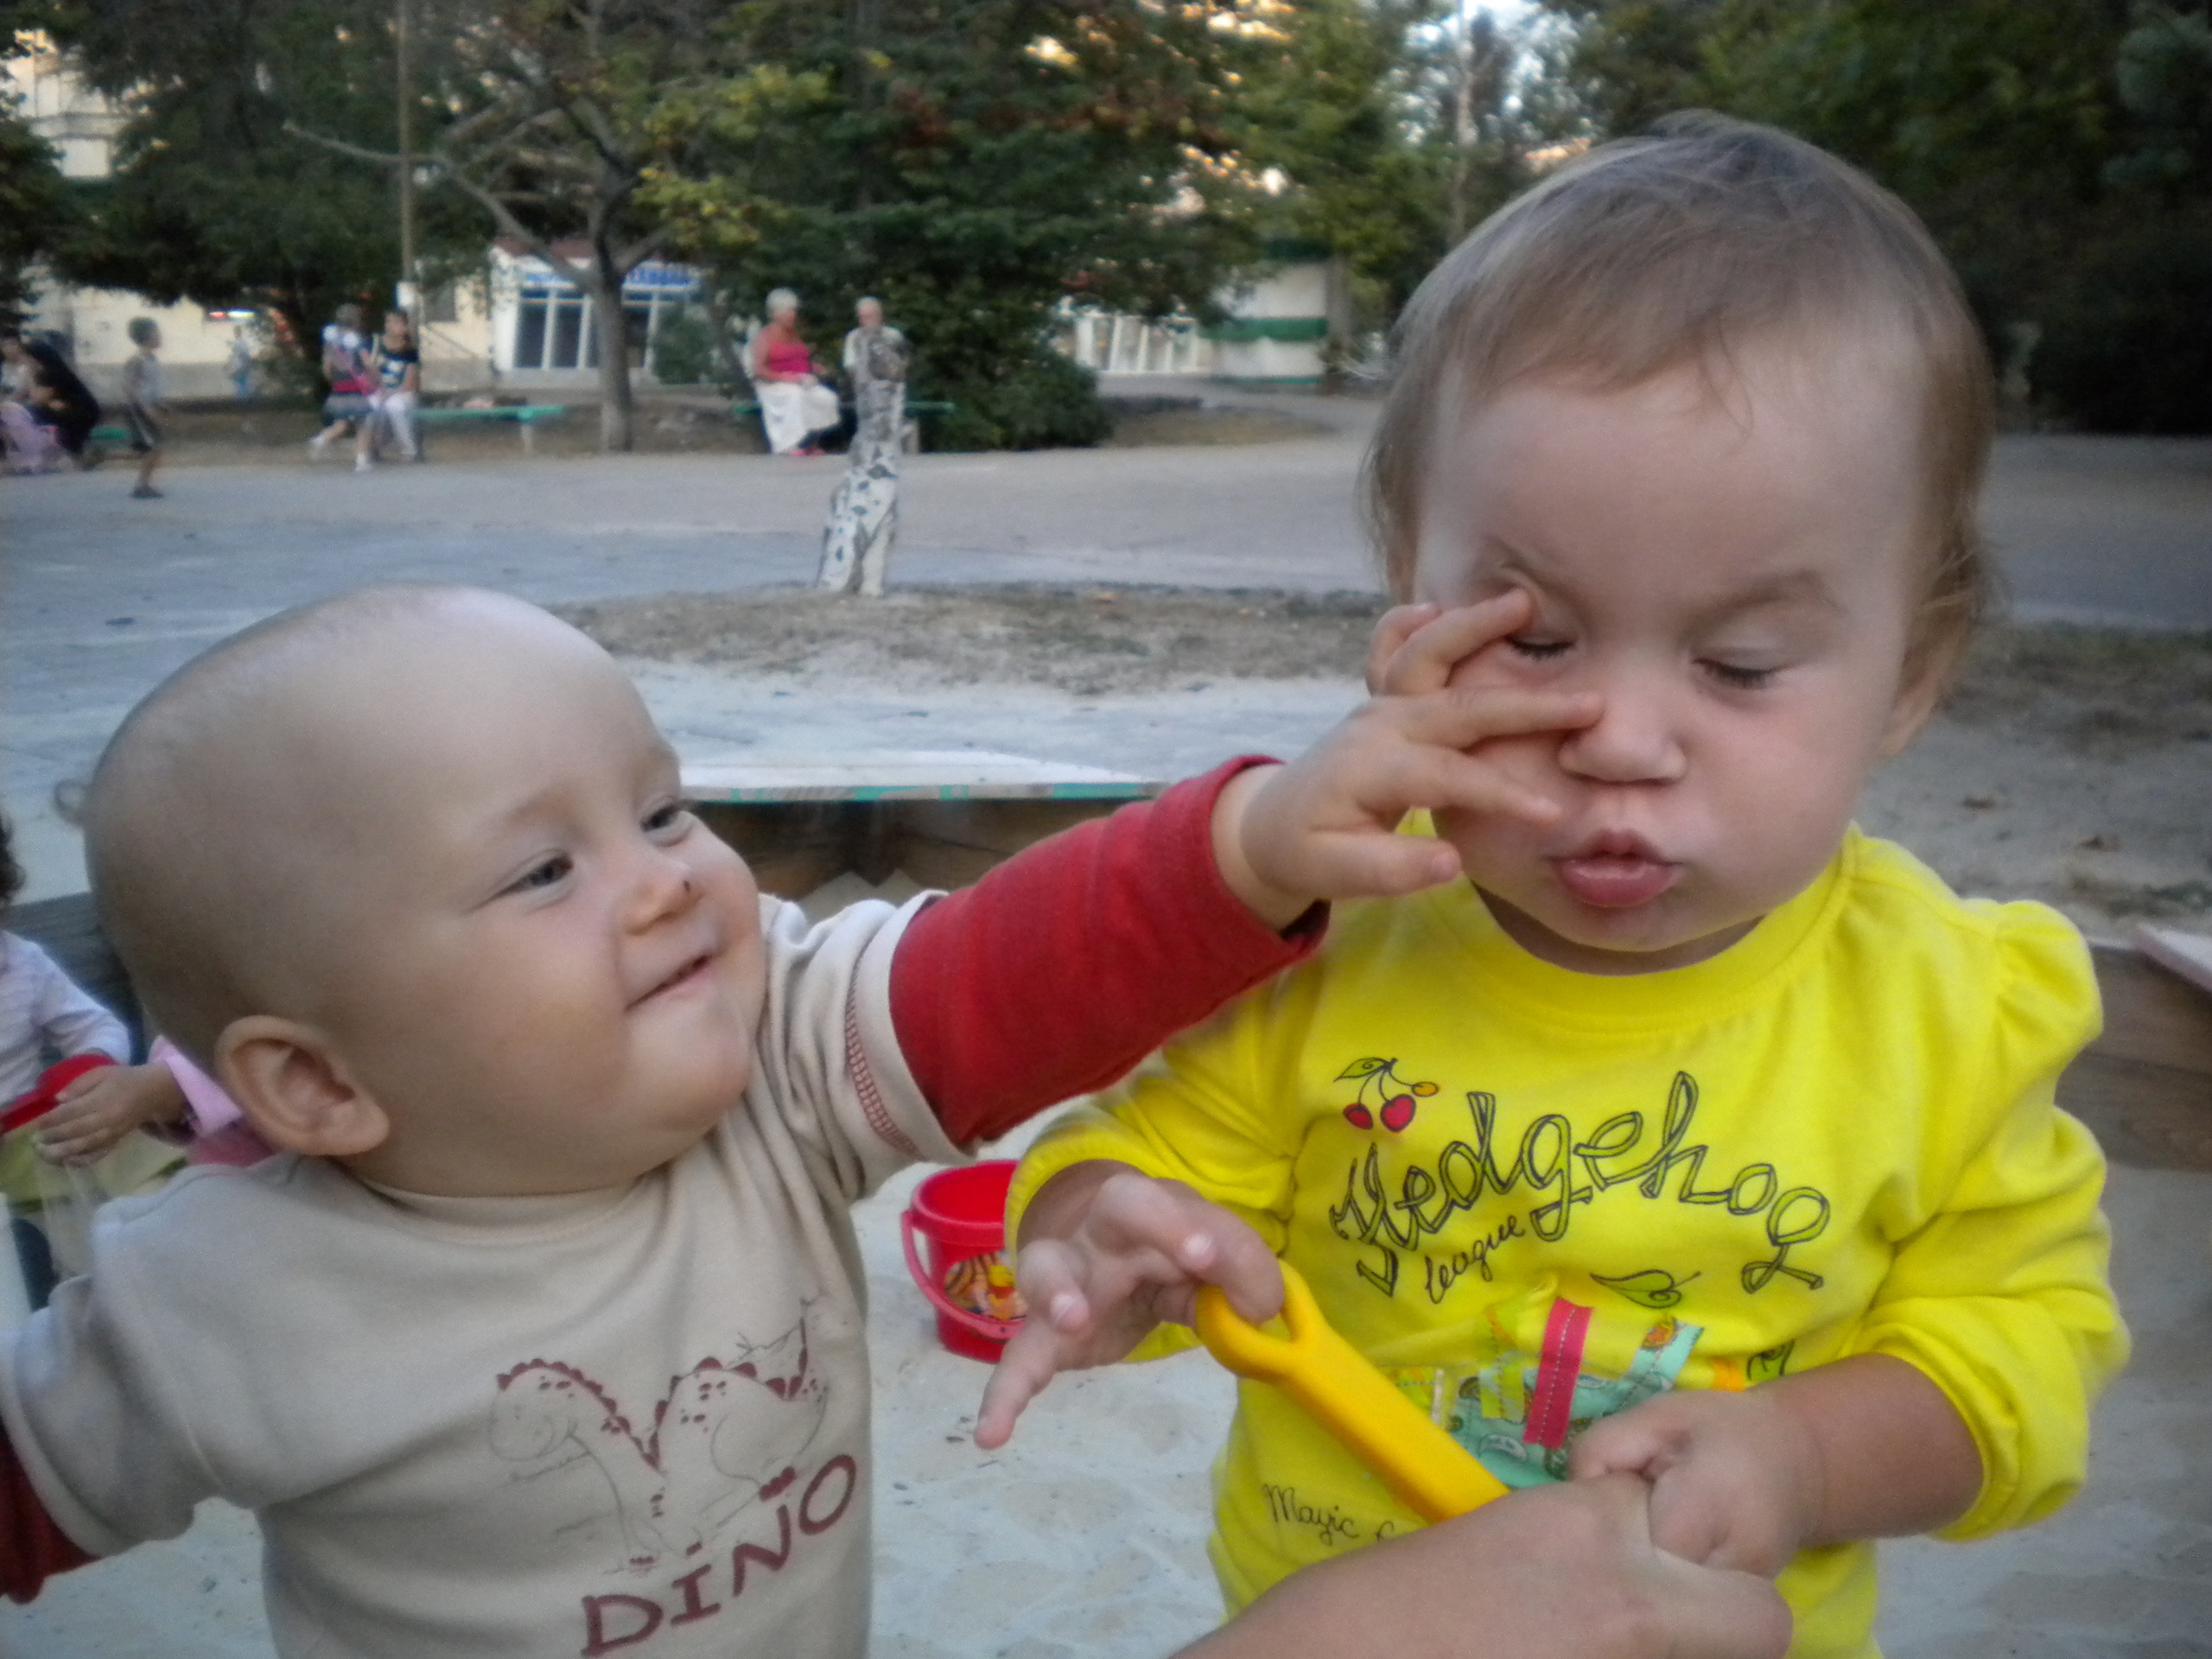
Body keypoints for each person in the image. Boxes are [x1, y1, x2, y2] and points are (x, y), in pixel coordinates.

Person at [981, 115, 2128, 1659]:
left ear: (1909, 675)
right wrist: (1103, 1231)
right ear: (1410, 611)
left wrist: (1804, 1456)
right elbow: (1135, 1157)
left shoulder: (1952, 1010)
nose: (1622, 741)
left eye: (1739, 664)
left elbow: (2023, 1366)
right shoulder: (1344, 935)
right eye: (1534, 640)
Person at [0, 582, 1637, 1656]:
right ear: (318, 1084)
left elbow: (992, 977)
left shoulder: (766, 1068)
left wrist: (1252, 846)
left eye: (662, 808)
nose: (668, 882)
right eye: (545, 869)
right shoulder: (213, 1310)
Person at [819, 296, 912, 594]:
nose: (865, 321)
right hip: (870, 422)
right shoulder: (856, 340)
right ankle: (861, 580)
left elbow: (901, 368)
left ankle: (866, 581)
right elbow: (854, 373)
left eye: (869, 316)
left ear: (879, 316)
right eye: (862, 317)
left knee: (877, 505)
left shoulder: (891, 338)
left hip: (884, 433)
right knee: (867, 503)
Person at [752, 287, 841, 455]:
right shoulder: (765, 337)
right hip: (774, 385)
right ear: (776, 314)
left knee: (826, 398)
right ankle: (789, 444)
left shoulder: (794, 334)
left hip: (800, 381)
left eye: (793, 311)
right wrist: (785, 377)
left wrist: (817, 368)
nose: (792, 315)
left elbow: (801, 359)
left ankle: (811, 441)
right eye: (788, 311)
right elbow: (759, 370)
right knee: (796, 396)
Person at [0, 332, 100, 468]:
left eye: (28, 357)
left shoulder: (52, 373)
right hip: (67, 409)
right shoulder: (43, 374)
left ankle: (43, 453)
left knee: (32, 414)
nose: (25, 361)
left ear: (36, 359)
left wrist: (29, 375)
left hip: (82, 411)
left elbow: (37, 399)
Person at [307, 302, 375, 469]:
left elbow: (326, 367)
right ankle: (362, 460)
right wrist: (373, 374)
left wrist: (333, 382)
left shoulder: (331, 342)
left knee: (341, 423)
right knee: (363, 424)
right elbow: (367, 363)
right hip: (356, 388)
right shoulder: (357, 340)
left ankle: (322, 439)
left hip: (339, 388)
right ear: (357, 321)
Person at [118, 319, 166, 499]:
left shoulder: (152, 359)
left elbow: (150, 386)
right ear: (147, 337)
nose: (160, 337)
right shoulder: (137, 360)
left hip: (147, 406)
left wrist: (160, 404)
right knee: (153, 447)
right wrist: (146, 409)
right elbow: (128, 386)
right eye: (156, 333)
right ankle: (141, 486)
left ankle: (143, 484)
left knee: (153, 446)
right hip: (137, 408)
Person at [368, 309, 421, 463]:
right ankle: (371, 448)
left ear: (405, 327)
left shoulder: (410, 351)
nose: (391, 326)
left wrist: (390, 392)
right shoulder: (377, 344)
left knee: (394, 406)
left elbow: (410, 383)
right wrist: (380, 390)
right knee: (371, 405)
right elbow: (370, 371)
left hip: (402, 392)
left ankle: (409, 450)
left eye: (396, 322)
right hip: (379, 390)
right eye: (388, 322)